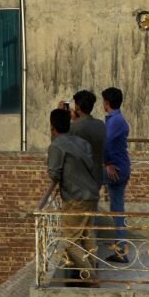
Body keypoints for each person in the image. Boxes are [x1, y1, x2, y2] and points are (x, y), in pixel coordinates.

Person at [47, 108, 100, 286]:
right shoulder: (81, 142)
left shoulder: (56, 145)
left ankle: (91, 278)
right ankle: (91, 275)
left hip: (75, 198)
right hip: (92, 194)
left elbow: (54, 174)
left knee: (70, 241)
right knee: (86, 236)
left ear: (52, 127)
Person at [102, 86, 131, 262]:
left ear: (107, 103)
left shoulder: (115, 121)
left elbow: (106, 143)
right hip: (120, 168)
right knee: (117, 210)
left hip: (117, 169)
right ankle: (121, 251)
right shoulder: (116, 119)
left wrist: (107, 163)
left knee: (85, 181)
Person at [64, 90, 106, 191]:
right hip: (96, 178)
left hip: (78, 181)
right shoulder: (101, 125)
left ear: (77, 107)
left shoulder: (74, 128)